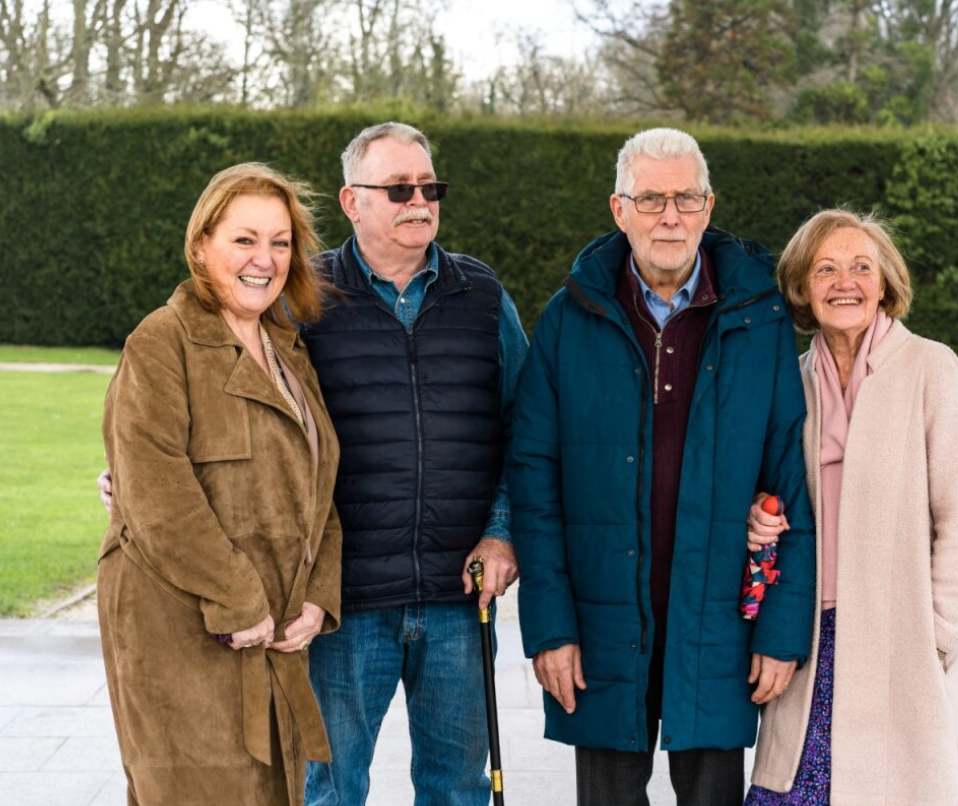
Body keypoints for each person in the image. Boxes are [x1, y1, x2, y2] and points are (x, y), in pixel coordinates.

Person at [99, 122, 526, 805]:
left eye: (429, 187)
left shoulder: (481, 295)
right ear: (352, 201)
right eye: (398, 188)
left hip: (457, 595)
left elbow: (523, 428)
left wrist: (503, 531)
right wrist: (131, 474)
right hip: (345, 603)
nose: (419, 201)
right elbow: (202, 402)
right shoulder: (297, 301)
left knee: (458, 789)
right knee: (325, 788)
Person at [508, 127, 816, 806]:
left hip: (718, 621)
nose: (669, 216)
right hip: (600, 620)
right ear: (619, 210)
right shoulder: (569, 320)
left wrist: (781, 631)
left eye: (685, 198)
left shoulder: (759, 320)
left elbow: (793, 480)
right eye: (650, 199)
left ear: (709, 207)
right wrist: (550, 627)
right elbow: (533, 481)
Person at [97, 162, 341, 805]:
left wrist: (317, 595)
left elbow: (321, 486)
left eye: (280, 242)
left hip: (274, 635)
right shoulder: (161, 342)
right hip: (182, 630)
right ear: (201, 244)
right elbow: (156, 496)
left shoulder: (287, 349)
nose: (265, 258)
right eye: (245, 239)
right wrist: (240, 601)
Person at [745, 209, 958, 806]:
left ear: (885, 283)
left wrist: (939, 633)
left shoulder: (932, 369)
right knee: (794, 789)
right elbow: (772, 489)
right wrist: (758, 516)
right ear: (803, 287)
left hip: (899, 636)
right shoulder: (792, 379)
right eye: (825, 269)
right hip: (808, 632)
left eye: (862, 267)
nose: (845, 282)